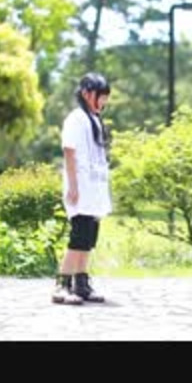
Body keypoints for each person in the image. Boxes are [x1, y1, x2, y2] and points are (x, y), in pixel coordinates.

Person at [52, 73, 113, 305]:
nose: (104, 101)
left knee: (89, 239)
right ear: (87, 94)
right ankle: (62, 285)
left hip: (94, 189)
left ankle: (81, 283)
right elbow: (69, 152)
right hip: (80, 189)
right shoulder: (75, 119)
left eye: (106, 97)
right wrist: (73, 186)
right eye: (101, 96)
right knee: (78, 238)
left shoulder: (94, 119)